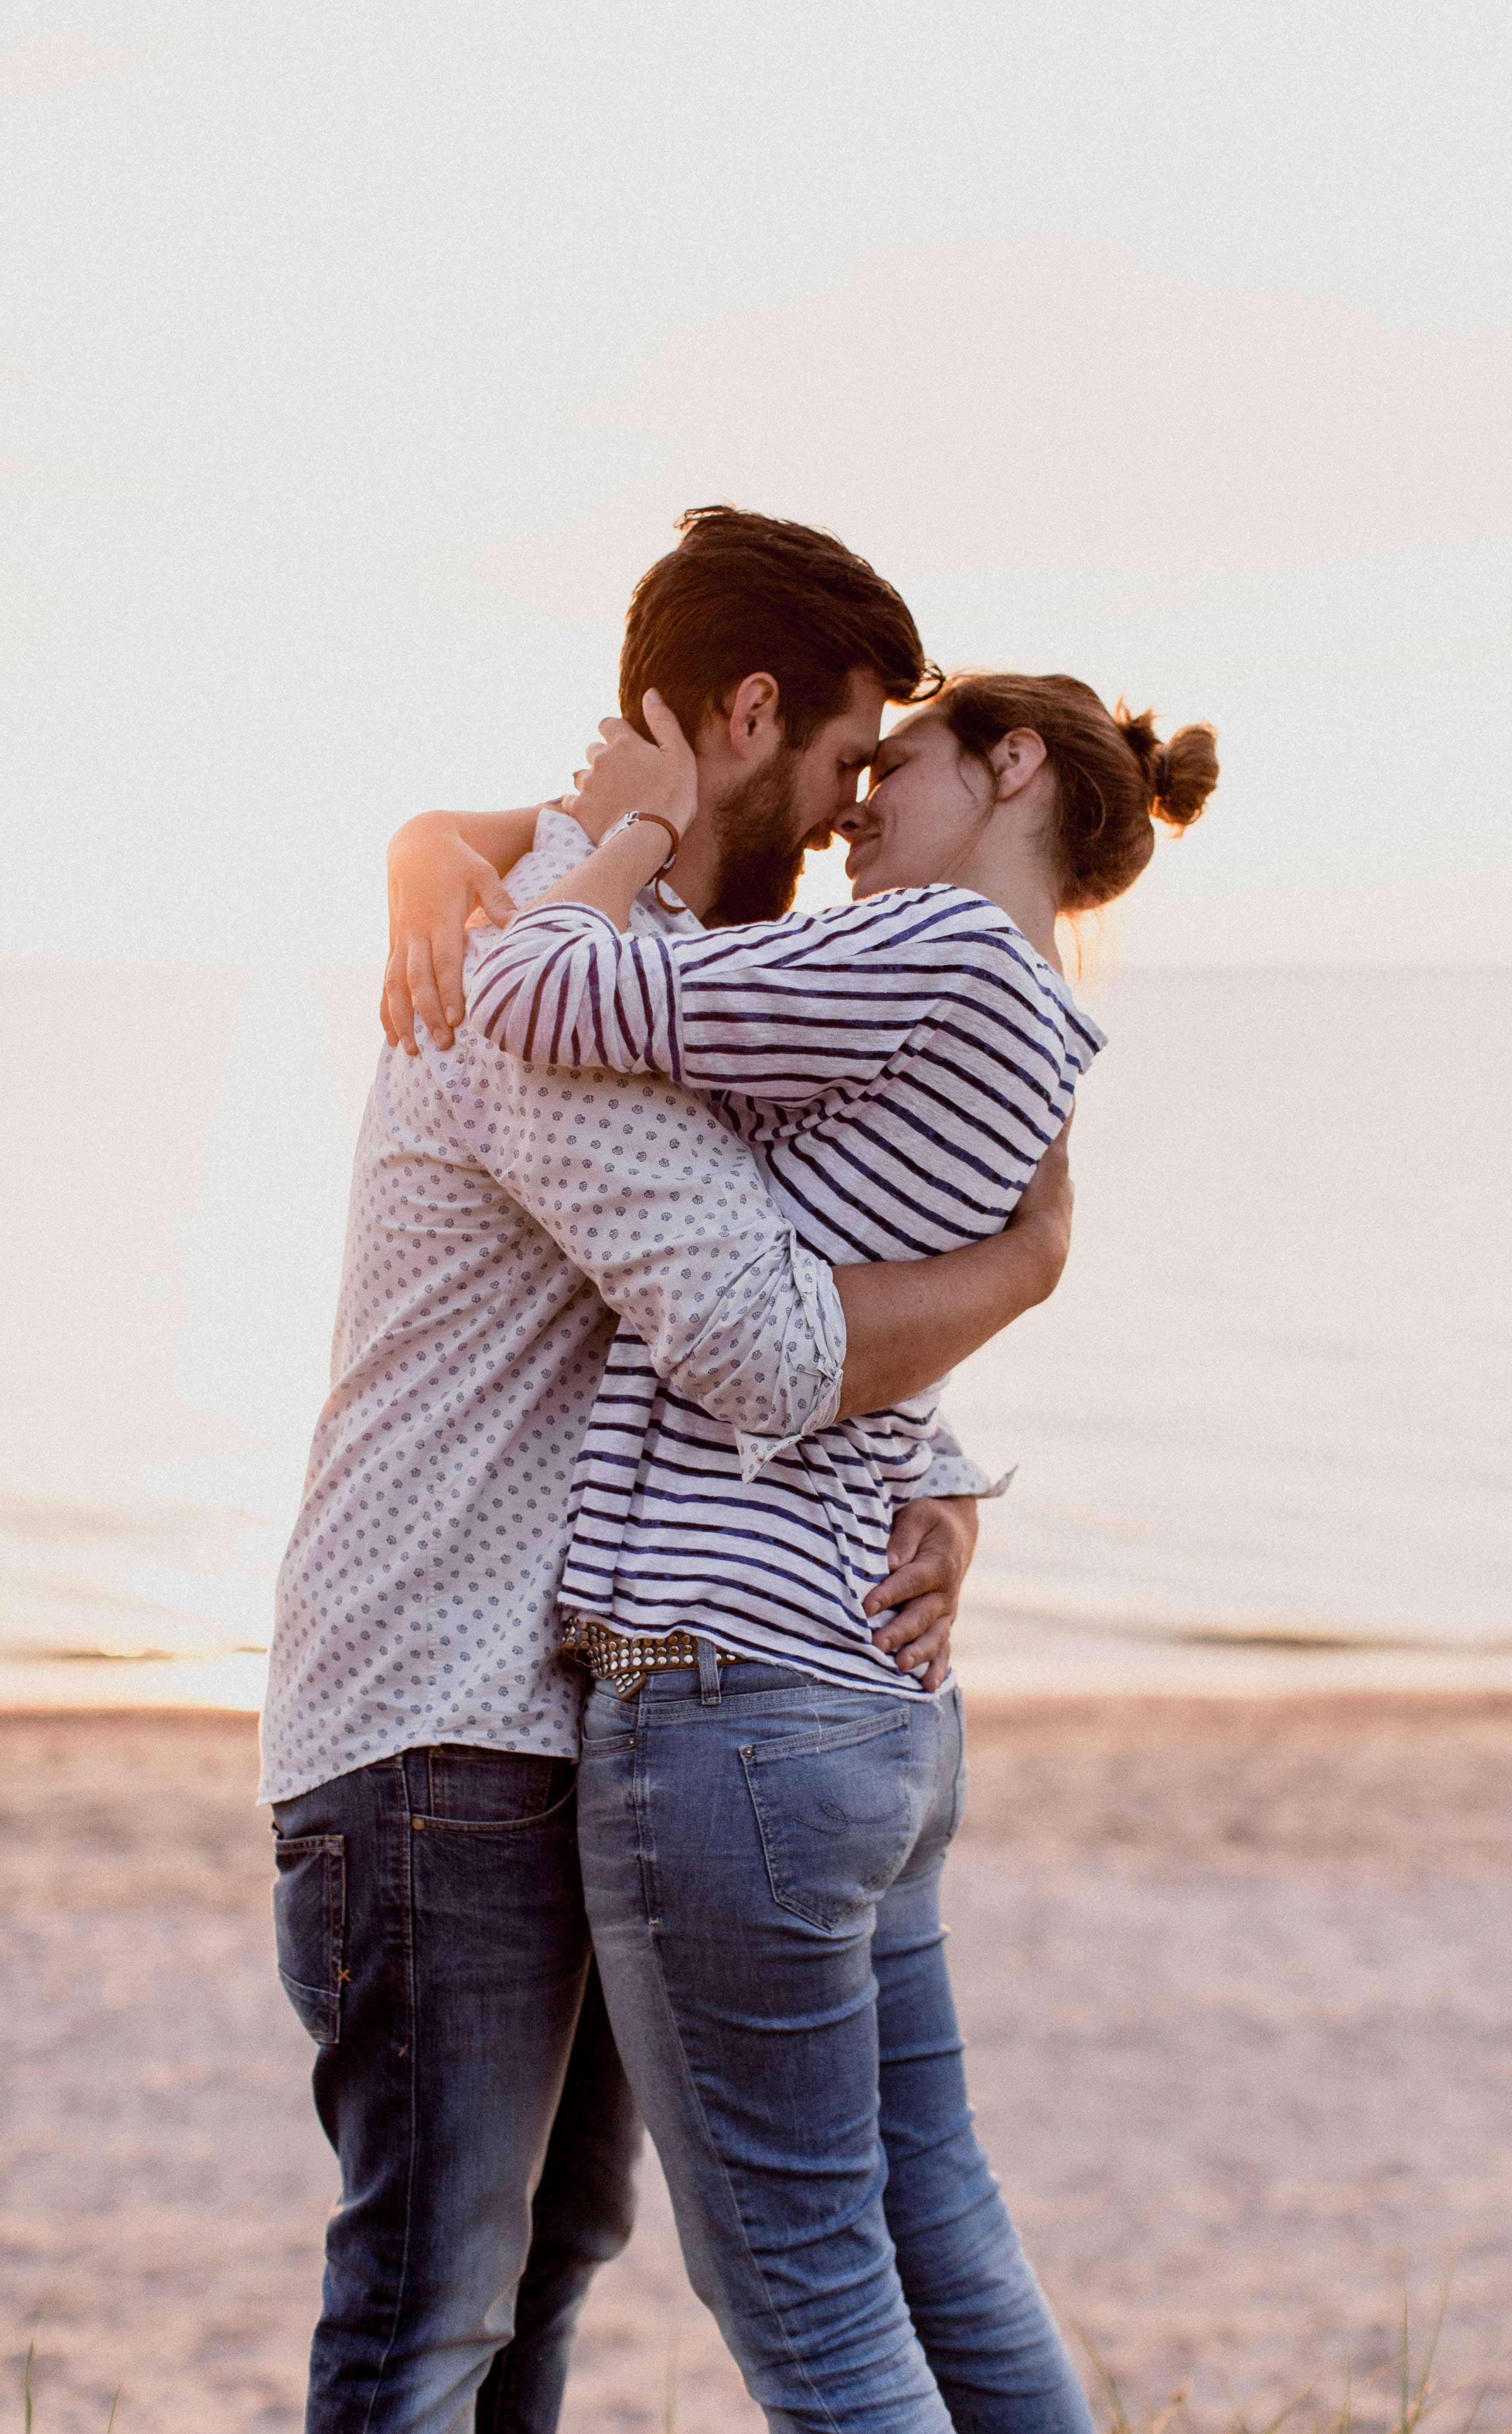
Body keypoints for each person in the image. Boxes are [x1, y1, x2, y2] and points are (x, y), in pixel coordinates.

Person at [264, 507, 1075, 2434]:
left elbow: (791, 1234)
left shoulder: (652, 966)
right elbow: (771, 1336)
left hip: (572, 1725)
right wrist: (1026, 1267)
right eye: (845, 750)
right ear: (747, 712)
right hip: (434, 1737)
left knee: (534, 2283)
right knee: (430, 2318)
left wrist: (942, 1467)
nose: (852, 810)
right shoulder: (528, 977)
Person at [425, 666, 1219, 2431]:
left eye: (896, 763)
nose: (853, 808)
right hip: (865, 1701)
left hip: (730, 1711)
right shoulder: (1033, 1022)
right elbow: (869, 1319)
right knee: (936, 2231)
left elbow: (538, 986)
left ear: (1008, 763)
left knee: (806, 2288)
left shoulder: (932, 954)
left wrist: (629, 816)